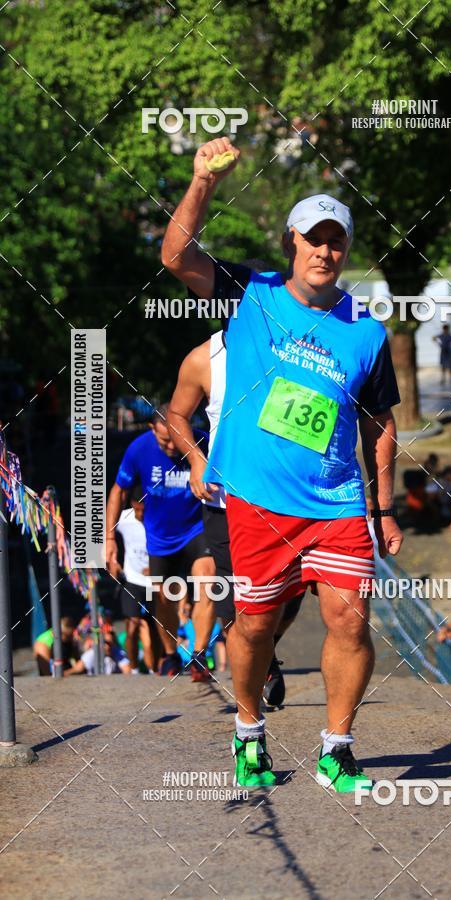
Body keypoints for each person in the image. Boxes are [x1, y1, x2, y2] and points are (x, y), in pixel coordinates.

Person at [161, 136, 403, 791]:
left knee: (351, 619)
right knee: (257, 623)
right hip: (259, 498)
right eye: (314, 238)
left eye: (337, 241)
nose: (325, 250)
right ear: (292, 240)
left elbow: (380, 422)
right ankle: (248, 735)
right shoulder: (253, 290)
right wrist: (203, 180)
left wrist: (382, 506)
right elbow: (176, 254)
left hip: (338, 500)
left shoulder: (366, 331)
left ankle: (338, 748)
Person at [167, 328, 304, 708]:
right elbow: (176, 412)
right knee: (231, 595)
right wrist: (196, 460)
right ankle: (255, 680)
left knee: (291, 595)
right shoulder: (203, 358)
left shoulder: (294, 346)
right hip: (225, 501)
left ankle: (265, 649)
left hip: (286, 499)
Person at [106, 404, 214, 677]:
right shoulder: (139, 449)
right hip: (160, 536)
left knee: (208, 579)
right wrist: (109, 538)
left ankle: (200, 654)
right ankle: (169, 654)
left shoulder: (203, 441)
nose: (171, 446)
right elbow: (119, 491)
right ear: (152, 429)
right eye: (164, 439)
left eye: (176, 438)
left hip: (196, 527)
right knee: (163, 598)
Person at [114, 486, 159, 673]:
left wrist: (158, 567)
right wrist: (111, 558)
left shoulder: (159, 518)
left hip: (155, 582)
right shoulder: (124, 518)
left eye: (143, 510)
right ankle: (133, 669)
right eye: (137, 510)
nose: (140, 514)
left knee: (156, 628)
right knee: (131, 625)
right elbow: (100, 532)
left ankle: (156, 668)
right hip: (132, 579)